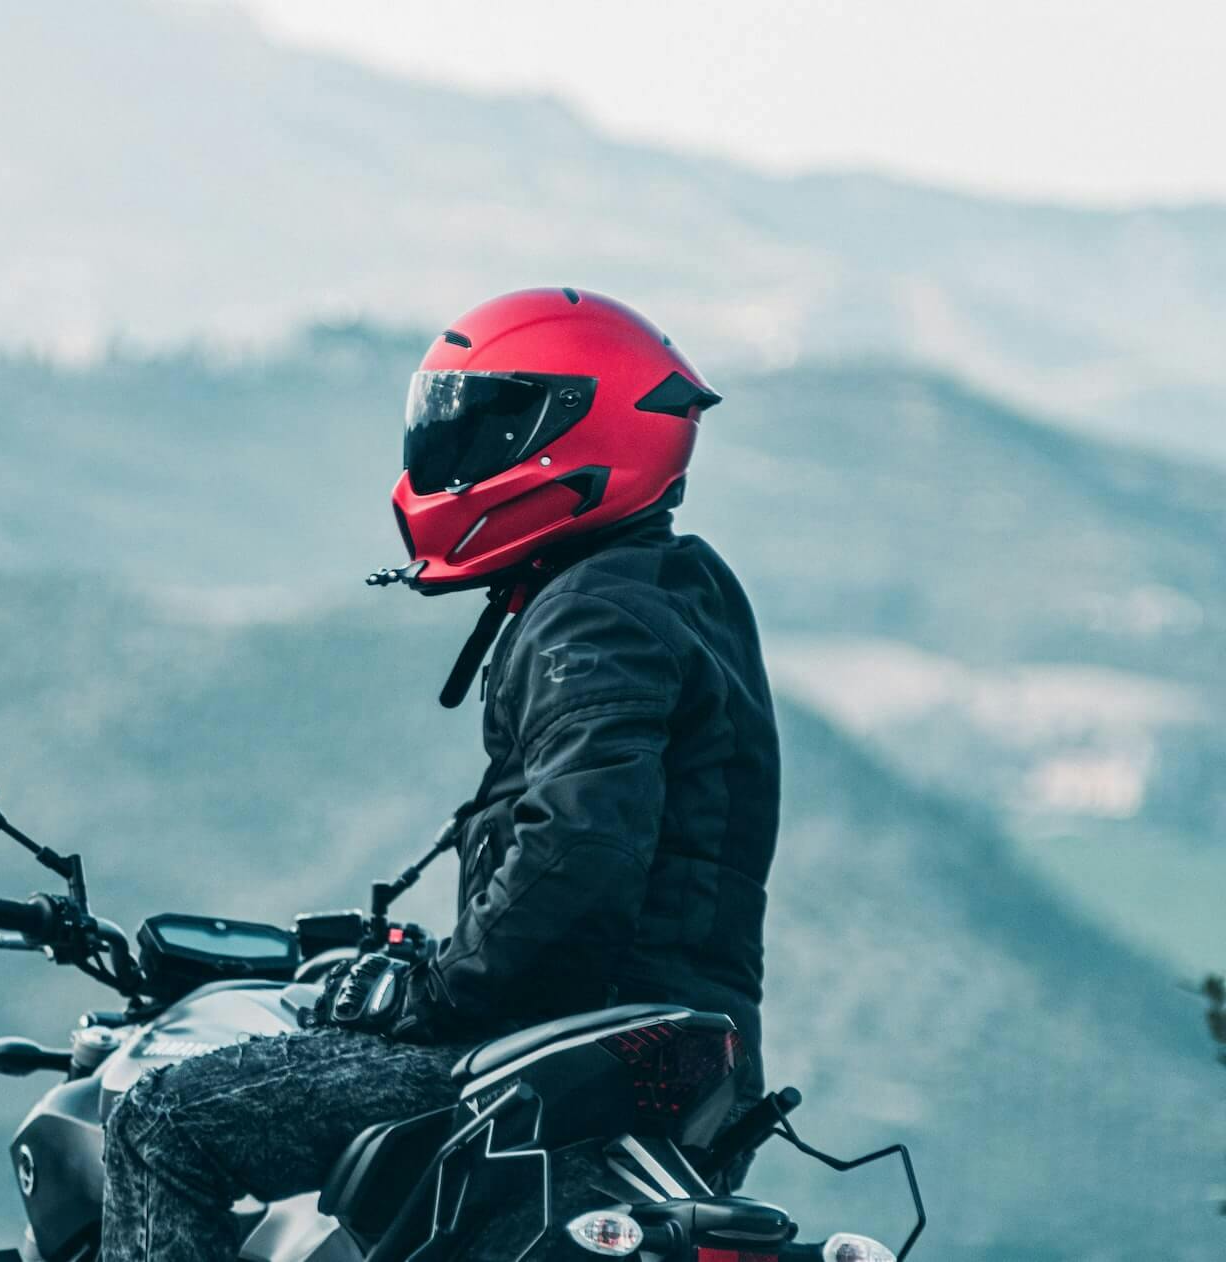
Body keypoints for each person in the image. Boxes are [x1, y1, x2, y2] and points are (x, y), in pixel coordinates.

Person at [100, 288, 780, 1261]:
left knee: (161, 1120)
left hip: (563, 1051)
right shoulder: (675, 588)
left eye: (491, 423)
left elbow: (578, 850)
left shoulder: (597, 617)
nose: (456, 453)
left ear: (576, 436)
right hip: (673, 1050)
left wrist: (425, 990)